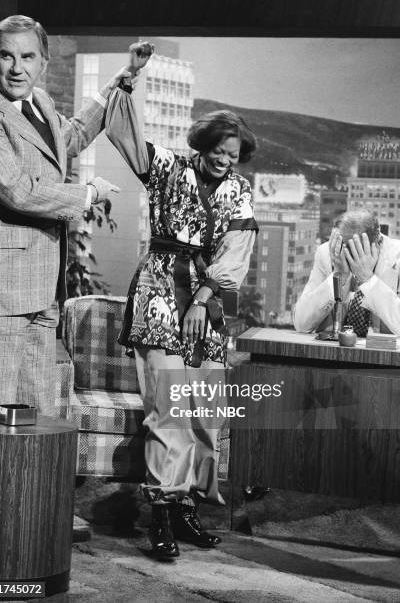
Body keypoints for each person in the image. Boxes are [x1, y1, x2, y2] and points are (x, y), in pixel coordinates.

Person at [105, 44, 258, 560]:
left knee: (204, 414)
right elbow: (126, 139)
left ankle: (189, 508)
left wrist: (205, 297)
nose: (224, 159)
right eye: (219, 149)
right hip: (159, 295)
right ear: (204, 143)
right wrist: (127, 81)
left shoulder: (239, 192)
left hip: (206, 306)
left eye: (233, 154)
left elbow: (236, 253)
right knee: (168, 409)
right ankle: (162, 516)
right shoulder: (169, 167)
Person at [0, 15, 137, 416]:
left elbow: (73, 136)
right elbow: (18, 190)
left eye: (28, 56)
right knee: (0, 420)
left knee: (39, 414)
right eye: (7, 56)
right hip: (1, 291)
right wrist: (88, 193)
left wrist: (123, 78)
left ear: (43, 61)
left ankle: (32, 483)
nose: (17, 68)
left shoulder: (41, 102)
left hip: (44, 285)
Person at [293, 209, 400, 338]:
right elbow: (301, 324)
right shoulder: (328, 252)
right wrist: (338, 277)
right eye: (341, 245)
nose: (344, 254)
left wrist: (368, 280)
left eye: (354, 249)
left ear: (378, 243)